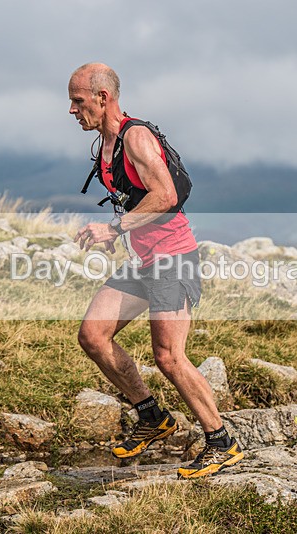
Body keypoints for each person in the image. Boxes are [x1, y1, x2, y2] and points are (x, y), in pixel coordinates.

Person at [68, 63, 244, 479]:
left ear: (103, 98)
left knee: (169, 357)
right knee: (93, 335)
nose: (72, 110)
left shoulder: (136, 137)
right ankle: (152, 417)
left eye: (78, 101)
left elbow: (165, 196)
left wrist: (112, 227)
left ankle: (222, 442)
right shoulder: (106, 144)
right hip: (143, 261)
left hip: (173, 259)